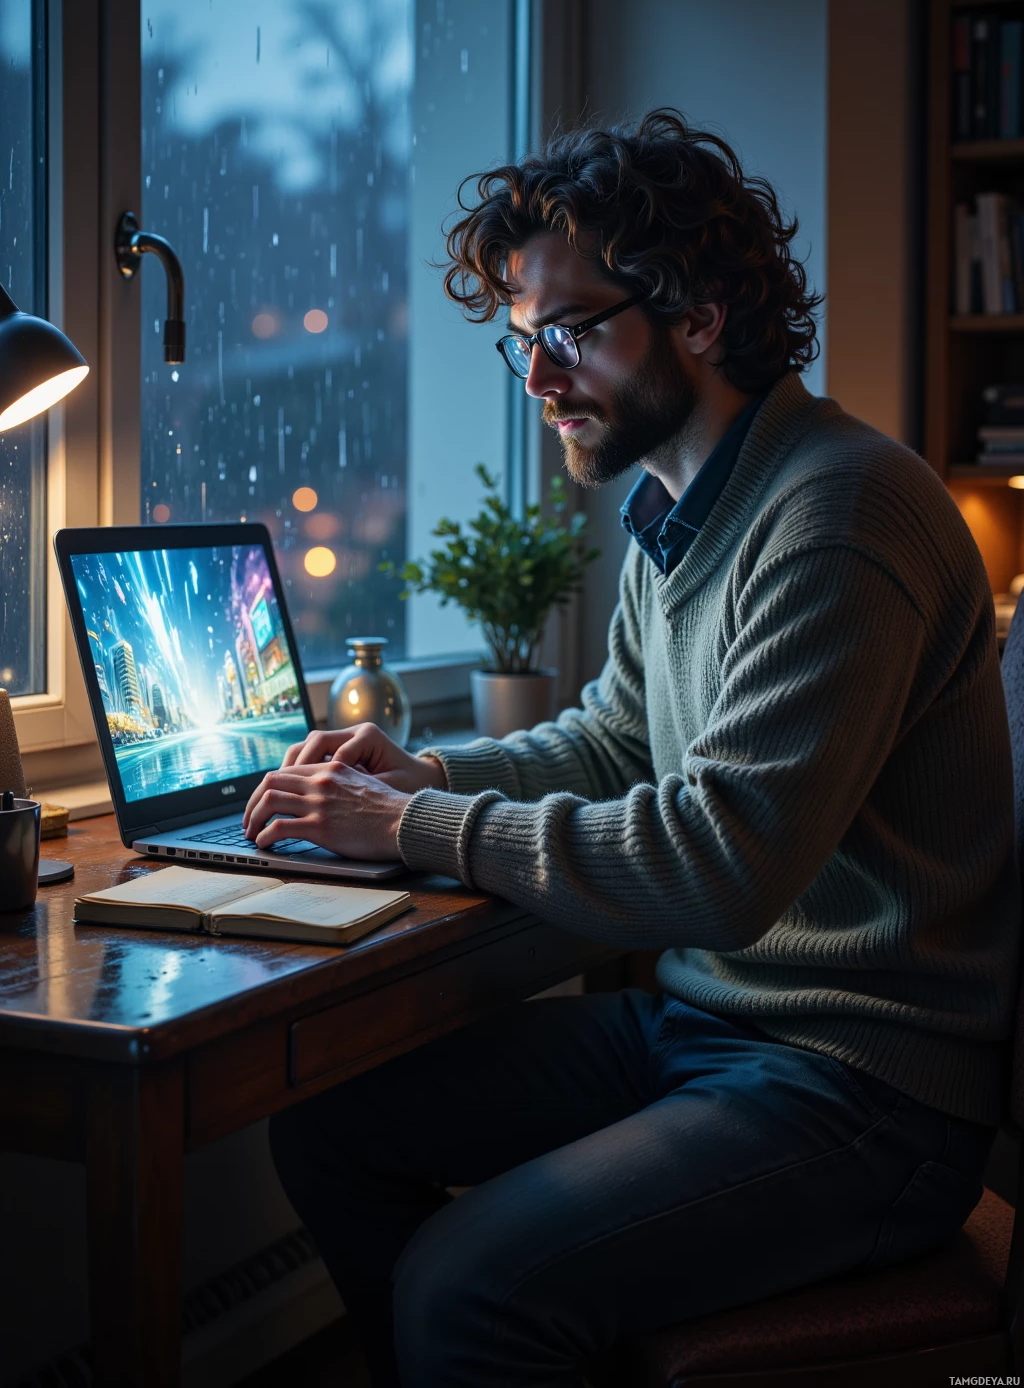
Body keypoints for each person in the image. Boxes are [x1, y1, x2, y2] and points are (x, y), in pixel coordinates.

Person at [243, 109, 1020, 1388]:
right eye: (521, 346)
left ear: (699, 317)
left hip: (864, 1093)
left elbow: (723, 862)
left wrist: (417, 831)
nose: (539, 380)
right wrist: (427, 776)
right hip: (711, 1029)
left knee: (465, 1285)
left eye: (565, 335)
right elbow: (617, 740)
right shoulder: (683, 505)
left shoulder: (838, 513)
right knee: (330, 1125)